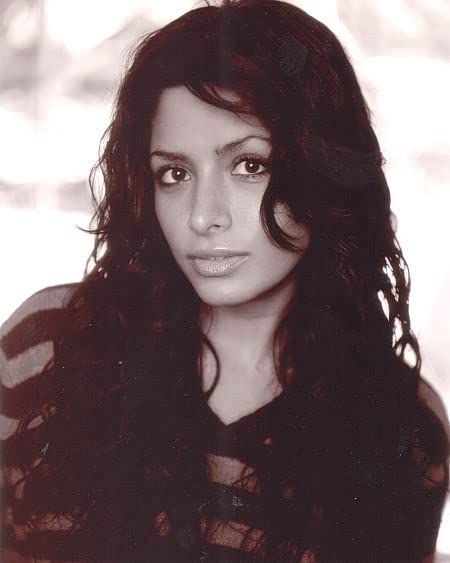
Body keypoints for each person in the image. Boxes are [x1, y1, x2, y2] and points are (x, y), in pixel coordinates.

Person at [1, 0, 448, 561]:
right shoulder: (47, 348)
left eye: (249, 165)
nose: (201, 215)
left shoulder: (399, 425)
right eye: (176, 173)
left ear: (326, 171)